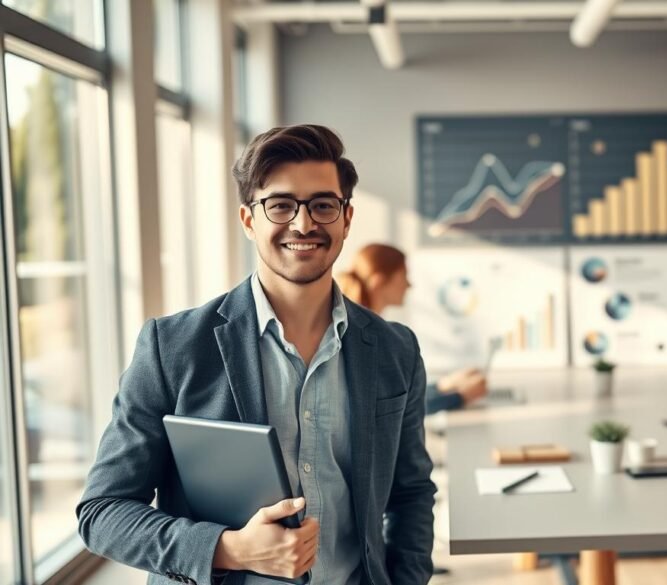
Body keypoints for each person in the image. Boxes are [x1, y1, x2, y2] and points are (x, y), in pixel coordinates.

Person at [76, 125, 436, 585]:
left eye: (323, 205)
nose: (303, 224)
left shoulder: (394, 349)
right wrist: (227, 550)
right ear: (249, 220)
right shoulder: (173, 347)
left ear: (346, 219)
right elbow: (101, 512)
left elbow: (411, 493)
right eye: (281, 205)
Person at [336, 244, 488, 414]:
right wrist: (459, 396)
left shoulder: (365, 331)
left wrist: (444, 386)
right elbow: (392, 411)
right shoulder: (360, 339)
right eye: (404, 276)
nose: (409, 285)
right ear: (378, 281)